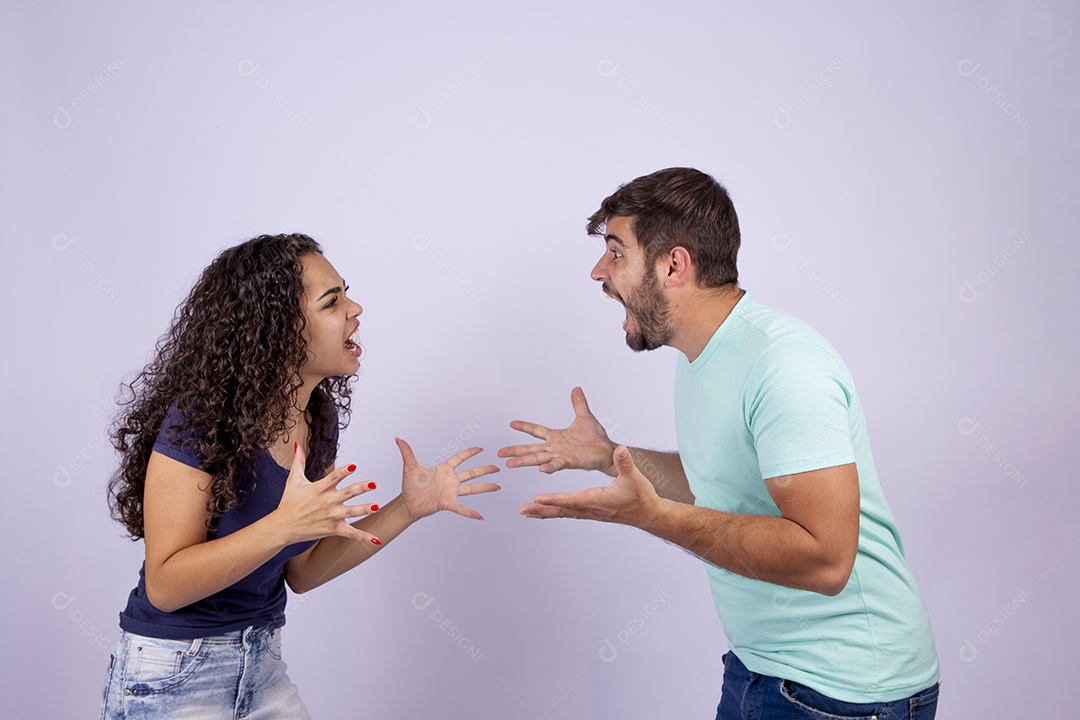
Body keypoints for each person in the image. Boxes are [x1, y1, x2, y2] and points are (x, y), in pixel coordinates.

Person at [498, 168, 940, 719]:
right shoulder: (703, 353)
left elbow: (826, 560)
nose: (598, 272)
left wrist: (649, 517)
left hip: (843, 691)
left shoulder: (784, 365)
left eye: (616, 253)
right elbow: (723, 483)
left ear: (673, 264)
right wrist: (610, 457)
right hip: (762, 671)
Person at [103, 233, 500, 719]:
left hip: (262, 664)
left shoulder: (317, 417)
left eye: (346, 294)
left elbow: (305, 571)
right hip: (175, 671)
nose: (355, 309)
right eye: (332, 302)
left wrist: (409, 507)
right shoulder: (203, 419)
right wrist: (282, 527)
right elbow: (164, 585)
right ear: (280, 328)